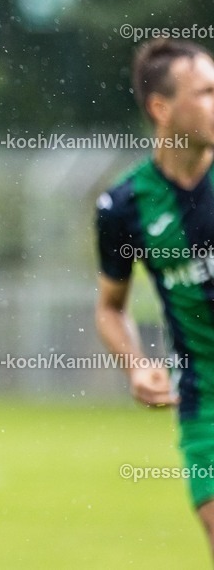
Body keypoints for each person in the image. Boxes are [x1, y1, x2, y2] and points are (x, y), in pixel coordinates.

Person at [95, 38, 214, 554]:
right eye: (207, 92)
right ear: (161, 108)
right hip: (205, 403)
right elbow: (109, 307)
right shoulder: (124, 206)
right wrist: (135, 365)